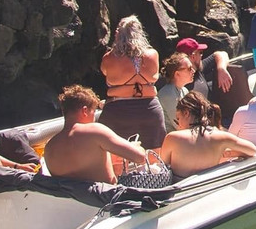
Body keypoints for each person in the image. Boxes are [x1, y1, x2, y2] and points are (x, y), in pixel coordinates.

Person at [44, 85, 148, 184]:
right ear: (85, 111)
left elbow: (83, 167)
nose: (94, 119)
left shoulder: (49, 146)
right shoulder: (94, 131)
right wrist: (134, 146)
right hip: (102, 200)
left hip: (68, 201)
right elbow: (140, 157)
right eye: (93, 112)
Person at [99, 15, 165, 149]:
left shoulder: (109, 58)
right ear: (140, 33)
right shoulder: (152, 55)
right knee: (154, 155)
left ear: (117, 33)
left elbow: (105, 72)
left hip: (118, 110)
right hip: (149, 109)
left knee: (115, 157)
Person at [159, 91, 256, 178]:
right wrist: (226, 153)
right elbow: (252, 150)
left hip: (181, 194)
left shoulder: (173, 138)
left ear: (186, 113)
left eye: (178, 119)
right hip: (208, 189)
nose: (179, 125)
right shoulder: (221, 137)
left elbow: (162, 167)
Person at [157, 52, 196, 132]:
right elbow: (180, 125)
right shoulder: (168, 94)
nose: (193, 71)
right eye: (189, 68)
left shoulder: (184, 90)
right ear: (177, 74)